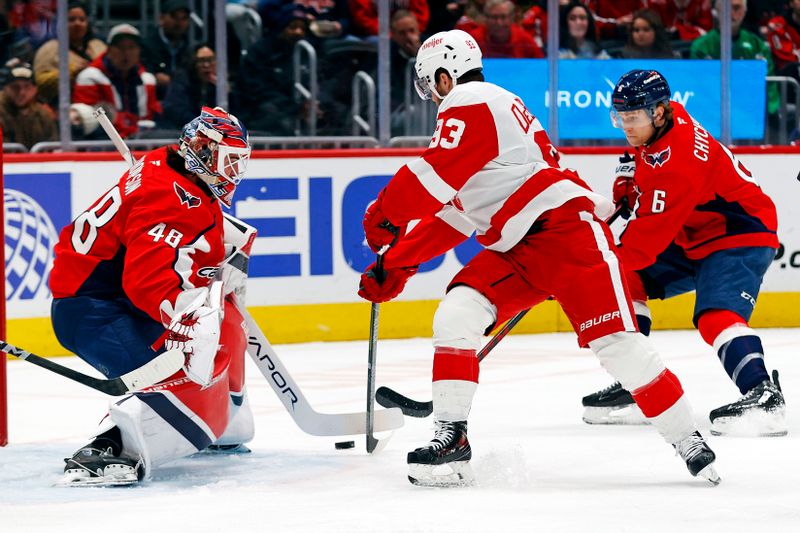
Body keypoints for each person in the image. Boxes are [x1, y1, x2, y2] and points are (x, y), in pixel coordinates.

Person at [358, 29, 719, 488]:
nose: (431, 96)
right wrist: (400, 263)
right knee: (457, 314)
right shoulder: (486, 112)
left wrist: (385, 212)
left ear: (445, 77)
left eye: (431, 85)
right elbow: (457, 214)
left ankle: (687, 437)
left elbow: (428, 177)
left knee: (618, 346)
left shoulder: (471, 100)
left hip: (566, 236)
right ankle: (452, 438)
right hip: (516, 250)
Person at [49, 107, 256, 486]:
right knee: (183, 380)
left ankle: (226, 420)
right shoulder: (172, 199)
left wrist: (216, 236)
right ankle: (111, 447)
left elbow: (158, 231)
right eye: (230, 161)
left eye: (239, 163)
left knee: (228, 324)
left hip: (114, 301)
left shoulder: (169, 165)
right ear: (203, 151)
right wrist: (188, 320)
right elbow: (147, 284)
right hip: (93, 311)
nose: (234, 174)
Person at [581, 69, 786, 438]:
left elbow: (643, 247)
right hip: (694, 231)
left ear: (658, 113)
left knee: (714, 316)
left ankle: (763, 396)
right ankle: (637, 382)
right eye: (621, 117)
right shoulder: (667, 116)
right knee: (627, 282)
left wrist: (586, 273)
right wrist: (627, 179)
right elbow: (637, 155)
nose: (626, 126)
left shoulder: (678, 166)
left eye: (633, 118)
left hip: (740, 232)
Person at [690, 0, 780, 118]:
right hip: (712, 113)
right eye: (725, 8)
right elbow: (697, 86)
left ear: (744, 11)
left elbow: (769, 81)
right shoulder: (701, 46)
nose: (731, 13)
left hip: (751, 114)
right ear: (716, 11)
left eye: (737, 8)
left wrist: (771, 112)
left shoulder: (757, 44)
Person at [72, 23, 161, 139]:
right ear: (108, 50)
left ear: (139, 51)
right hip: (104, 142)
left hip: (140, 141)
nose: (126, 53)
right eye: (120, 47)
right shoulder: (89, 77)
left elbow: (152, 117)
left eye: (131, 47)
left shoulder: (148, 80)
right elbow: (89, 122)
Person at [32, 0, 106, 108]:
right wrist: (73, 71)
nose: (77, 23)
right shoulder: (49, 49)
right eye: (71, 20)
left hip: (98, 104)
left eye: (82, 19)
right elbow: (42, 84)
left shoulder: (99, 46)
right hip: (62, 107)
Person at [159, 44, 224, 129]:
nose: (206, 65)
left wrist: (225, 91)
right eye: (201, 61)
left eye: (210, 60)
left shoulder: (221, 85)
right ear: (193, 63)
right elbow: (177, 112)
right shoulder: (180, 82)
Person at [0, 58, 58, 149]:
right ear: (5, 88)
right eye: (15, 87)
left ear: (35, 89)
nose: (22, 92)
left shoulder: (43, 114)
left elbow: (52, 146)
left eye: (27, 87)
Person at [141, 0, 192, 99]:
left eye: (184, 18)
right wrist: (154, 77)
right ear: (161, 18)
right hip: (154, 99)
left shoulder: (189, 48)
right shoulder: (146, 46)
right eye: (174, 17)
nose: (179, 22)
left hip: (182, 100)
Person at [467, 0, 544, 58]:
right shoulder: (473, 40)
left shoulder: (524, 39)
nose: (499, 23)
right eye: (494, 17)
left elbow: (541, 65)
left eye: (503, 17)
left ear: (512, 18)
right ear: (486, 18)